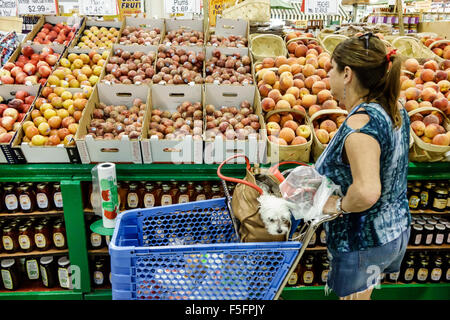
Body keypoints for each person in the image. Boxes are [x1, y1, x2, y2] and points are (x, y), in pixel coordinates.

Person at [315, 33, 411, 300]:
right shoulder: (394, 107)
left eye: (330, 70)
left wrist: (337, 205)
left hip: (362, 240)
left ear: (347, 74)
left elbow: (367, 191)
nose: (328, 78)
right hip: (392, 228)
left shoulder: (360, 127)